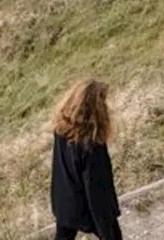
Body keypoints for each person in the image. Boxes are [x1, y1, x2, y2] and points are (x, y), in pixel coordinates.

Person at [51, 80, 123, 240]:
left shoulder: (62, 130)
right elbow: (97, 190)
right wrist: (105, 227)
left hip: (65, 200)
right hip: (88, 207)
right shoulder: (92, 145)